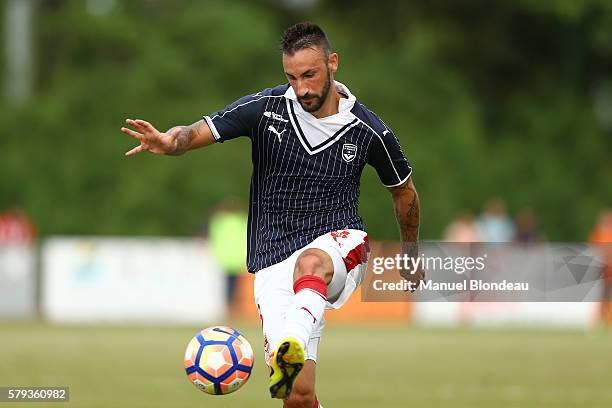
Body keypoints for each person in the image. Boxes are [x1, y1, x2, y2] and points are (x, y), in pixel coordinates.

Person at [121, 22, 423, 407]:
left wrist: (411, 254)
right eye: (292, 77)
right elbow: (196, 132)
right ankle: (292, 352)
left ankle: (292, 341)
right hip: (273, 258)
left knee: (311, 263)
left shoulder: (369, 131)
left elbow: (404, 192)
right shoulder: (265, 108)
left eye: (310, 75)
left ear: (333, 64)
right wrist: (171, 141)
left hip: (339, 241)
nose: (302, 88)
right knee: (298, 395)